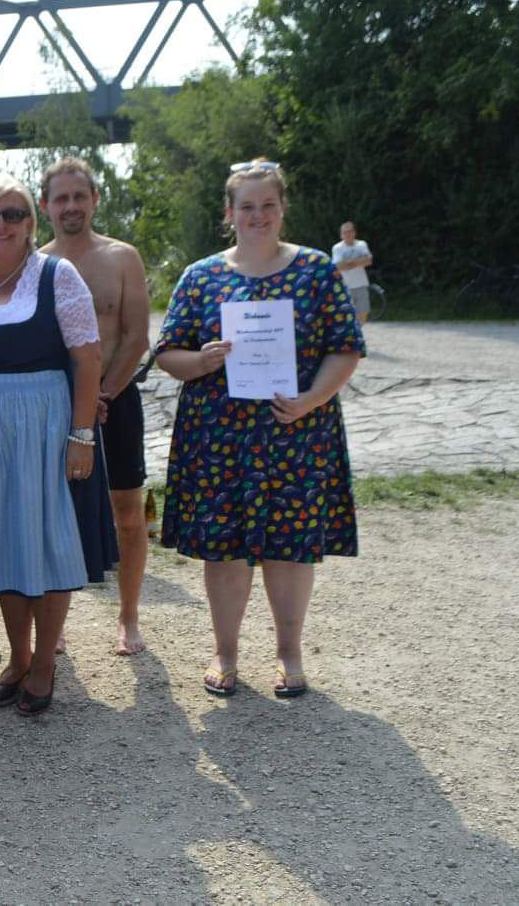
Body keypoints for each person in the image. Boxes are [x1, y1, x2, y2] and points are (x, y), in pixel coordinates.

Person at [154, 159, 364, 698]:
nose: (258, 215)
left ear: (282, 208)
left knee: (289, 548)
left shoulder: (316, 270)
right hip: (219, 438)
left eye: (268, 205)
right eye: (247, 206)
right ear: (229, 213)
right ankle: (225, 653)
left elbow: (345, 347)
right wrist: (202, 360)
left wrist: (311, 400)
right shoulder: (201, 276)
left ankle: (289, 654)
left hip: (296, 431)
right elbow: (168, 353)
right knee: (224, 549)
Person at [0, 177, 101, 716]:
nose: (1, 224)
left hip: (43, 421)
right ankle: (18, 656)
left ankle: (45, 664)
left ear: (31, 222)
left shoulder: (58, 276)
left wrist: (81, 436)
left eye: (13, 213)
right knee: (5, 538)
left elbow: (88, 358)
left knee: (45, 539)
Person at [40, 157, 151, 656]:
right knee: (52, 512)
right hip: (57, 408)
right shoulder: (36, 263)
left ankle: (128, 617)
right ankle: (54, 623)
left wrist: (100, 394)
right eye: (60, 198)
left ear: (95, 200)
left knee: (127, 512)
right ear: (45, 205)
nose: (71, 206)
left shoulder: (122, 257)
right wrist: (77, 402)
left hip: (116, 400)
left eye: (79, 196)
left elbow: (135, 336)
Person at [332, 221, 373, 324]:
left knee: (363, 313)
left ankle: (359, 331)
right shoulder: (337, 248)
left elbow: (368, 261)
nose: (348, 234)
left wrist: (348, 263)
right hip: (345, 286)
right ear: (341, 235)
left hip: (361, 284)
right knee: (346, 314)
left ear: (354, 233)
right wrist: (358, 261)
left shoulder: (361, 244)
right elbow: (339, 266)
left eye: (350, 231)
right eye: (345, 232)